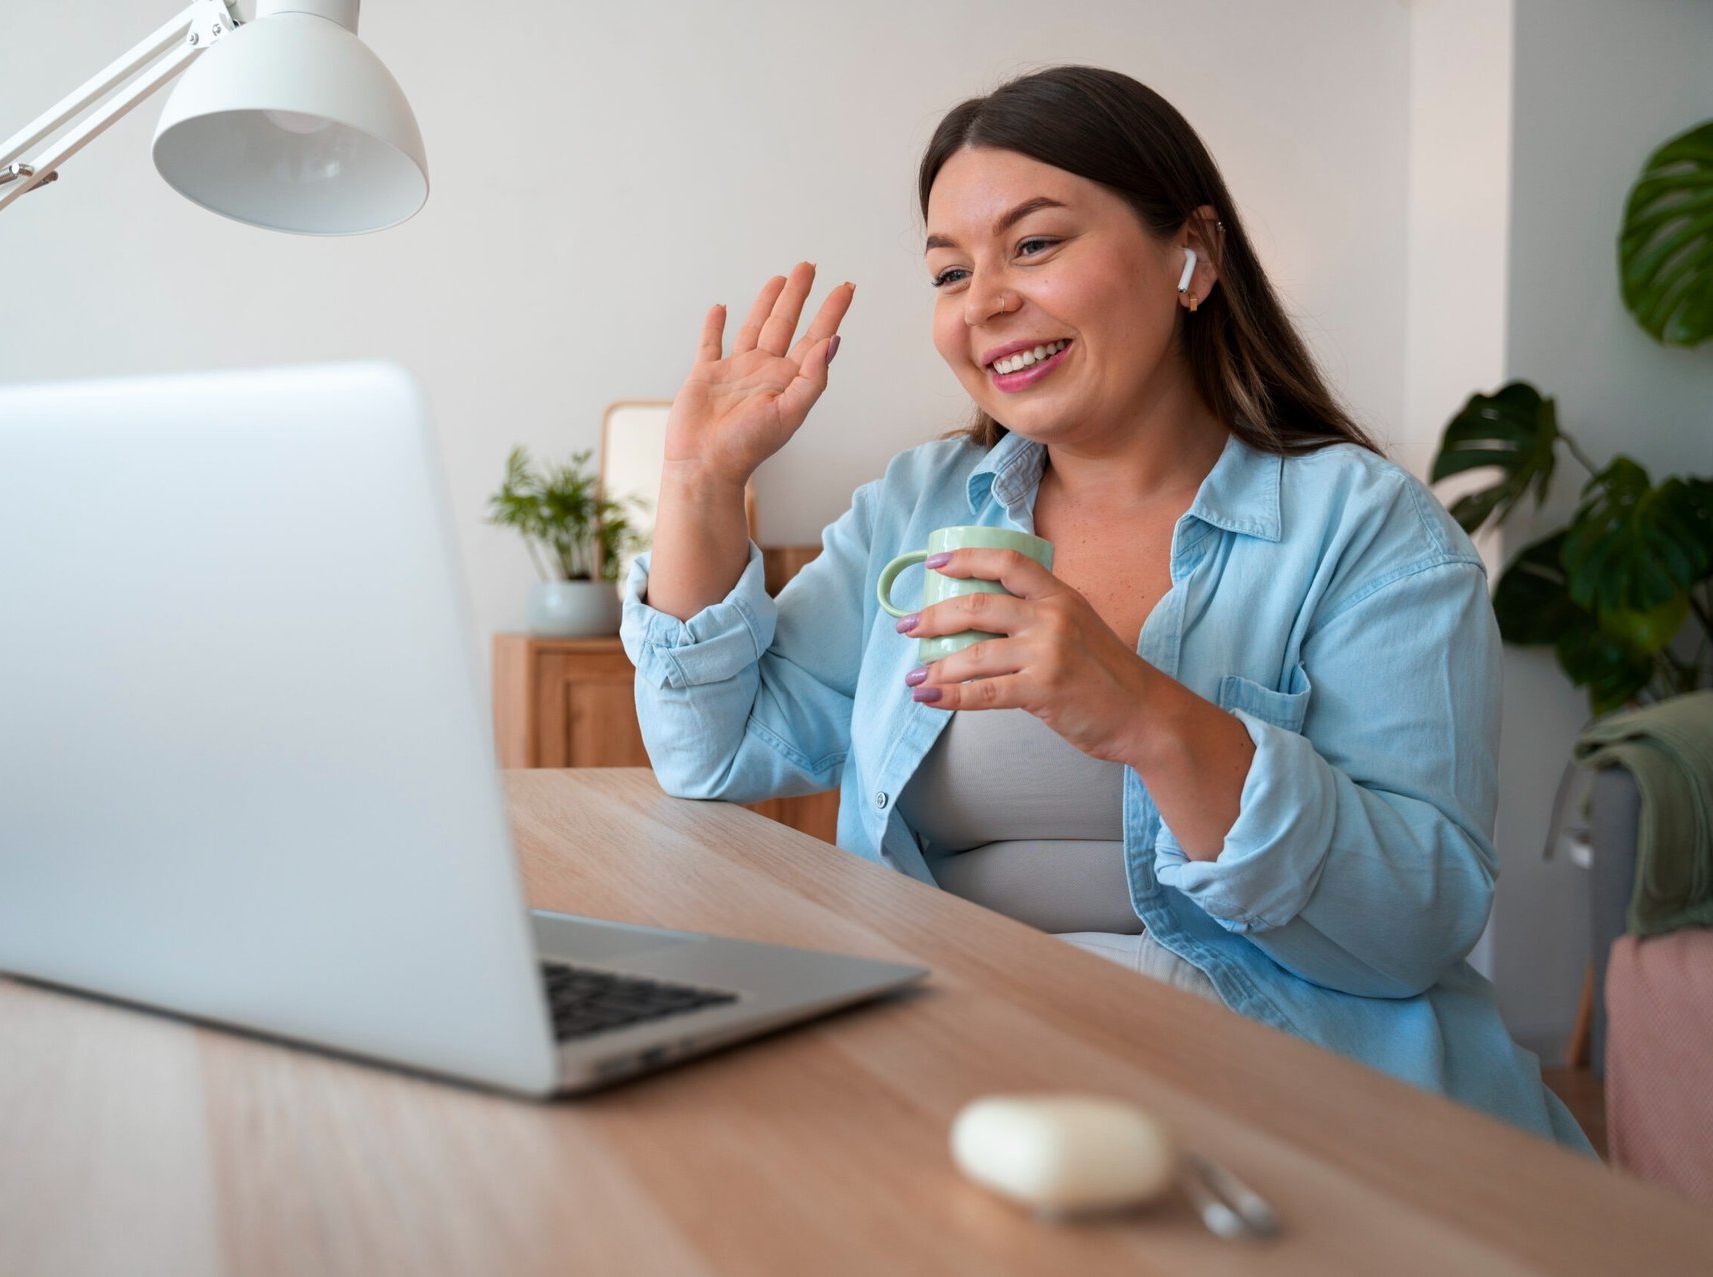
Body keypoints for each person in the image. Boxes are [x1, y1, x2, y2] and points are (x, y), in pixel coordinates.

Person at [618, 65, 1589, 1151]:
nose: (984, 301)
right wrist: (698, 483)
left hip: (1290, 1110)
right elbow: (714, 748)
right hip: (965, 1082)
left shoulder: (1370, 534)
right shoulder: (922, 506)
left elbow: (1416, 922)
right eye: (949, 271)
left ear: (1195, 256)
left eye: (1034, 245)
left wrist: (1140, 711)